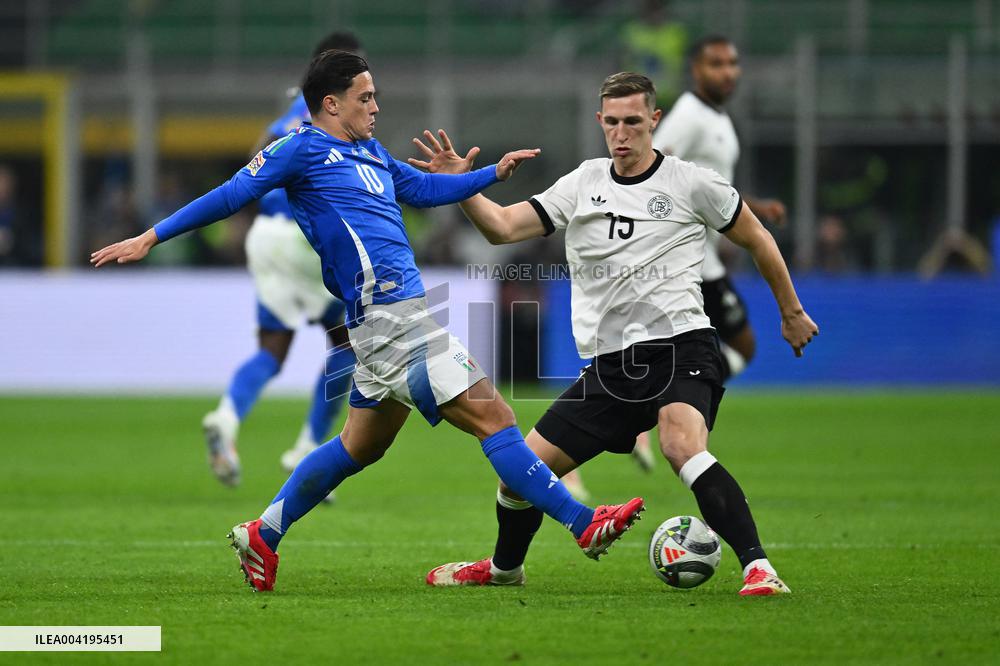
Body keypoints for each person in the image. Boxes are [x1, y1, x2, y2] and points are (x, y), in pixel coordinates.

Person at [91, 51, 645, 592]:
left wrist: (489, 175)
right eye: (366, 97)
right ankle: (583, 523)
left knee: (359, 446)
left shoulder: (371, 152)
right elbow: (232, 194)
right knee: (495, 417)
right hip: (391, 320)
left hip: (387, 323)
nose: (376, 106)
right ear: (331, 103)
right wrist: (151, 236)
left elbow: (423, 188)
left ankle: (263, 533)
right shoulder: (300, 149)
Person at [422, 72, 817, 596]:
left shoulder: (691, 182)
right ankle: (504, 569)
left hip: (681, 345)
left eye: (633, 121)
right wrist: (462, 185)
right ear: (600, 122)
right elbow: (502, 228)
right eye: (612, 122)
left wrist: (791, 311)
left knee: (680, 445)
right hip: (611, 367)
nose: (622, 133)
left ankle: (759, 568)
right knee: (520, 474)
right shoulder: (582, 183)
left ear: (654, 119)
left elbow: (758, 238)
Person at [200, 31, 362, 490]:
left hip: (266, 235)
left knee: (271, 350)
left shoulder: (293, 113)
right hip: (305, 237)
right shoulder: (338, 112)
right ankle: (306, 447)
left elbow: (256, 159)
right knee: (349, 346)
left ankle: (226, 417)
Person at [652, 34, 787, 383]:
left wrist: (755, 207)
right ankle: (669, 395)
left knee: (707, 348)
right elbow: (650, 168)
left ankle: (665, 395)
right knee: (741, 346)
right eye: (716, 64)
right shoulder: (688, 116)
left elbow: (709, 186)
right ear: (696, 69)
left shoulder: (717, 116)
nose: (727, 72)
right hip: (688, 257)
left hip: (703, 255)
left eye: (732, 64)